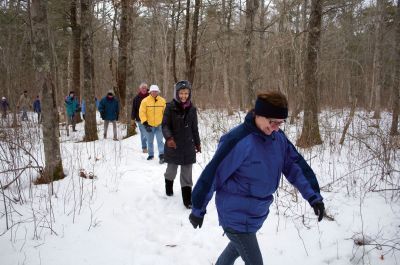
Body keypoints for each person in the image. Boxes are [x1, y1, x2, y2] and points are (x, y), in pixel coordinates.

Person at [189, 91, 325, 265]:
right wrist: (198, 208)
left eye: (280, 123)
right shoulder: (238, 140)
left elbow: (296, 166)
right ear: (258, 114)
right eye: (272, 122)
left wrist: (314, 197)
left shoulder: (278, 139)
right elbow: (213, 173)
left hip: (255, 213)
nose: (276, 128)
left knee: (235, 249)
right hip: (235, 214)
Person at [162, 80, 201, 208]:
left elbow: (194, 128)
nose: (183, 96)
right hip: (173, 145)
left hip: (188, 146)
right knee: (171, 171)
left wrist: (197, 143)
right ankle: (168, 186)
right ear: (176, 93)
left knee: (187, 174)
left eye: (186, 93)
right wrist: (169, 139)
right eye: (181, 93)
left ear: (189, 94)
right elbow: (165, 125)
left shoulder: (192, 109)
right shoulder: (169, 107)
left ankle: (187, 200)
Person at [139, 84, 166, 163]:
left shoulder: (162, 101)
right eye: (153, 91)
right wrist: (145, 123)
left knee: (160, 140)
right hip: (149, 125)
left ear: (158, 92)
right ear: (150, 92)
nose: (154, 93)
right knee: (150, 141)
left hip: (159, 125)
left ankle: (162, 155)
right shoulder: (145, 101)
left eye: (156, 91)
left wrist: (165, 122)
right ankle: (151, 154)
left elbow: (165, 113)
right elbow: (142, 112)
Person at [131, 82, 149, 153]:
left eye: (145, 88)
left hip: (149, 118)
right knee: (144, 133)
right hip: (139, 119)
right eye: (142, 88)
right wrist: (132, 119)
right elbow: (134, 109)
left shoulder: (150, 96)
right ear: (140, 89)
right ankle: (144, 148)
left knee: (149, 133)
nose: (144, 89)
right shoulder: (136, 98)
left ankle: (149, 146)